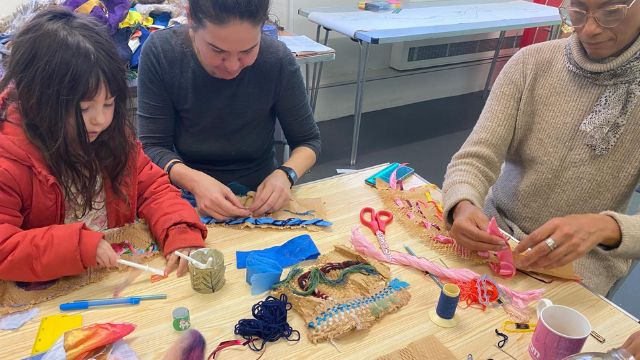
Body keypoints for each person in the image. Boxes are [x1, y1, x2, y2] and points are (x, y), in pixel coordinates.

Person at [442, 0, 640, 295]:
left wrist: (606, 228)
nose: (590, 29)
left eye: (611, 13)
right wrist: (463, 203)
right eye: (578, 12)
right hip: (495, 235)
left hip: (580, 264)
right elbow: (475, 158)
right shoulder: (530, 63)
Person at [0, 8, 207, 282]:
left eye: (108, 104)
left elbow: (154, 189)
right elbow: (4, 249)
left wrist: (180, 232)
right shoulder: (9, 163)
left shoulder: (112, 138)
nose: (100, 120)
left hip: (110, 283)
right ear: (37, 101)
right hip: (50, 301)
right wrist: (77, 246)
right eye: (84, 109)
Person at [136, 0, 321, 220]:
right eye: (217, 50)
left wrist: (286, 174)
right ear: (191, 20)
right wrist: (195, 182)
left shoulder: (277, 59)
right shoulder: (162, 53)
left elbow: (308, 141)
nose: (233, 66)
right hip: (183, 192)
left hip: (259, 197)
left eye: (248, 50)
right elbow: (153, 146)